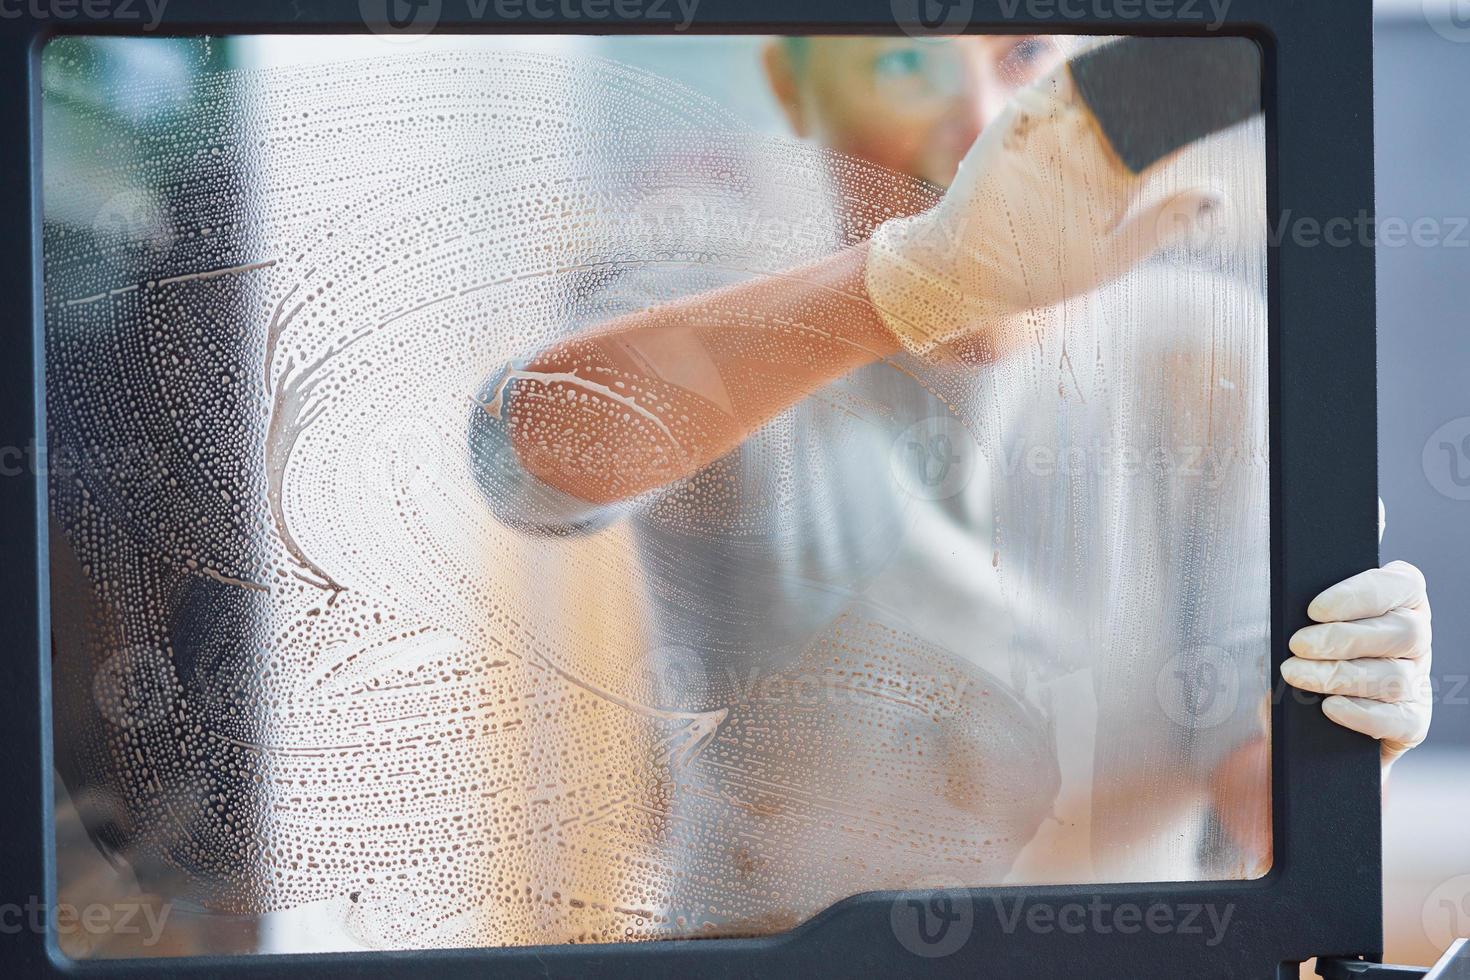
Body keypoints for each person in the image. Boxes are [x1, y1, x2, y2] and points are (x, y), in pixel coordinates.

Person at [470, 36, 1433, 933]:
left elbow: (1262, 809)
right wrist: (916, 285)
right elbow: (525, 465)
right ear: (792, 86)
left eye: (1023, 56)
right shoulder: (715, 292)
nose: (982, 124)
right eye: (901, 64)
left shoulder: (1206, 353)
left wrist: (1345, 736)